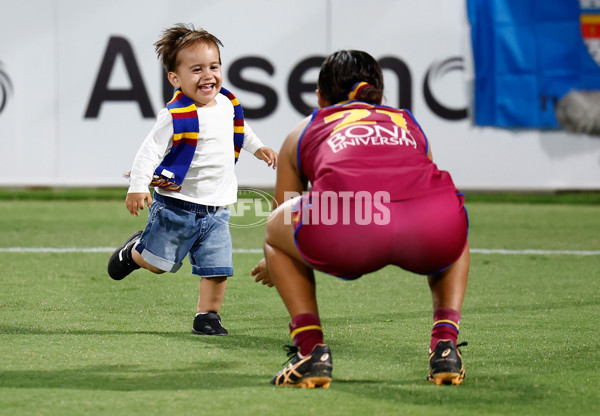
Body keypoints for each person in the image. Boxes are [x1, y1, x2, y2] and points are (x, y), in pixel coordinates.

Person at [251, 50, 470, 388]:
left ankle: (311, 351)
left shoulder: (304, 129)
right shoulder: (406, 122)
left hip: (349, 235)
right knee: (450, 216)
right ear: (378, 96)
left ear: (320, 98)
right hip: (429, 233)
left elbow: (287, 209)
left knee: (273, 227)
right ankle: (445, 344)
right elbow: (422, 182)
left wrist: (273, 259)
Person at [108, 24, 277, 336]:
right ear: (176, 79)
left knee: (217, 268)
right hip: (176, 207)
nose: (208, 75)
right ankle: (132, 252)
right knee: (158, 264)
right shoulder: (174, 114)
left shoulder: (227, 103)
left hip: (218, 210)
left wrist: (259, 148)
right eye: (196, 69)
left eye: (213, 67)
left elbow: (241, 129)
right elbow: (149, 152)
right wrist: (138, 186)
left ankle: (207, 317)